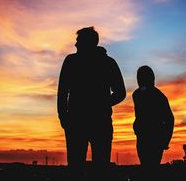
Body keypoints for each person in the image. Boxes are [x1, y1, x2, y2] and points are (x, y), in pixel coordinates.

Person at [57, 27, 126, 180]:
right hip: (77, 123)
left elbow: (121, 92)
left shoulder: (107, 63)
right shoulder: (72, 61)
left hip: (96, 122)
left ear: (87, 43)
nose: (75, 45)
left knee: (98, 169)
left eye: (78, 41)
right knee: (77, 168)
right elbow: (62, 92)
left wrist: (101, 104)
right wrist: (64, 118)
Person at [133, 65, 174, 174]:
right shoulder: (136, 95)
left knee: (152, 169)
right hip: (142, 139)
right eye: (139, 78)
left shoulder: (159, 97)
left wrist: (165, 140)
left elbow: (170, 119)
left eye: (142, 78)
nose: (140, 81)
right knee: (146, 168)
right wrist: (136, 126)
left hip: (155, 140)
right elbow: (139, 115)